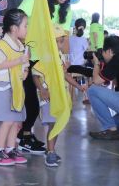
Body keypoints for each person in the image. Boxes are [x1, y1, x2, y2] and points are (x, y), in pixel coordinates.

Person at [17, 0, 78, 153]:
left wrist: (65, 60)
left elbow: (63, 40)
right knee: (31, 103)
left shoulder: (67, 10)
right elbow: (16, 23)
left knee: (51, 101)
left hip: (51, 62)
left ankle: (26, 137)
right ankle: (24, 137)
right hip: (30, 58)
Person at [33, 25, 86, 167]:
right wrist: (42, 91)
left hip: (58, 96)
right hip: (49, 96)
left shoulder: (59, 56)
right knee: (52, 125)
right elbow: (36, 75)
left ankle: (51, 150)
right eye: (61, 40)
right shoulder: (47, 56)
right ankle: (50, 153)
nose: (64, 43)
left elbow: (65, 75)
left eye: (63, 40)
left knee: (56, 124)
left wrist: (78, 86)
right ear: (53, 41)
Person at [0, 8, 29, 166]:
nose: (27, 29)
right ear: (14, 28)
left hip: (17, 88)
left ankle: (10, 148)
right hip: (3, 87)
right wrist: (20, 61)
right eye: (25, 25)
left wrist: (25, 70)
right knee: (7, 120)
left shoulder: (20, 44)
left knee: (14, 121)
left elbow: (25, 64)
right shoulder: (1, 45)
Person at [88, 36, 119, 139]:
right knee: (117, 123)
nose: (103, 55)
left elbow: (96, 81)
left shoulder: (117, 59)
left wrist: (96, 63)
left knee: (92, 90)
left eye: (103, 52)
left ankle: (111, 131)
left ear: (109, 51)